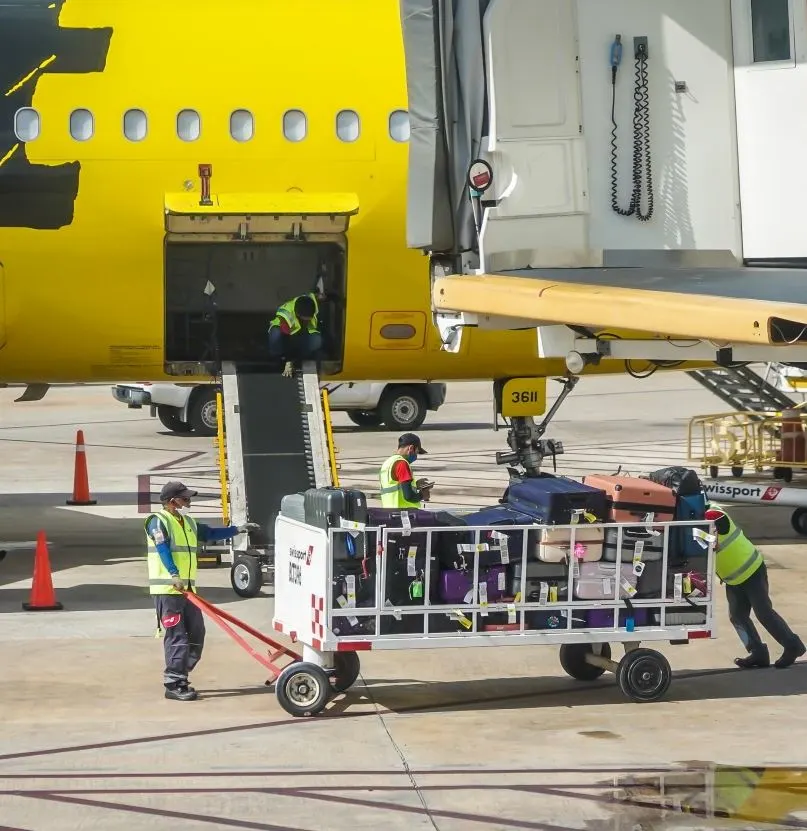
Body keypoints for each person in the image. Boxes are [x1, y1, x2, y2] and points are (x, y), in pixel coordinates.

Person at [146, 480, 258, 701]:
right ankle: (174, 683)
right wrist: (173, 574)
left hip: (187, 590)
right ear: (172, 501)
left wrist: (238, 529)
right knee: (177, 636)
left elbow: (210, 533)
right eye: (185, 498)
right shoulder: (158, 522)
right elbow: (162, 549)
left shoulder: (187, 522)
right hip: (169, 590)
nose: (189, 501)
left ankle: (179, 672)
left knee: (197, 633)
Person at [705, 501, 805, 669]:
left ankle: (793, 645)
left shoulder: (713, 513)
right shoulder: (696, 523)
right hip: (733, 579)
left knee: (763, 613)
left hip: (751, 570)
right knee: (737, 616)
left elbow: (717, 525)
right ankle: (758, 652)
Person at [268, 292, 324, 374]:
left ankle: (303, 357)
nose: (306, 321)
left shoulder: (310, 303)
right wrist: (288, 362)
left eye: (308, 319)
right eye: (304, 319)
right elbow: (287, 342)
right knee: (276, 335)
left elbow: (315, 297)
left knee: (317, 340)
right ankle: (277, 358)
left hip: (302, 334)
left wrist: (324, 297)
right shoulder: (286, 316)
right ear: (298, 315)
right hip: (286, 335)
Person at [378, 433, 433, 509]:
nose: (416, 456)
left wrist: (415, 486)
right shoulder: (402, 464)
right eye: (416, 452)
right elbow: (409, 497)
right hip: (404, 515)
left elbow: (394, 487)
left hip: (390, 514)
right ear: (411, 448)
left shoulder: (387, 463)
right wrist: (422, 495)